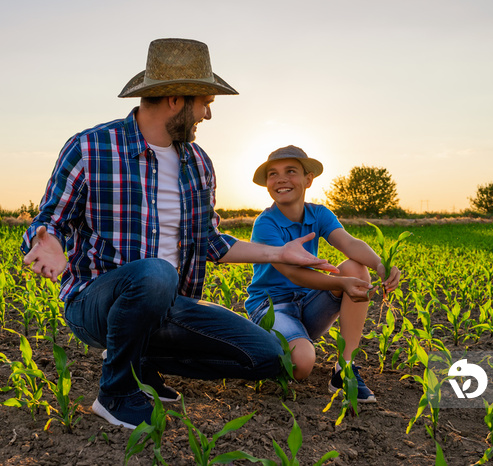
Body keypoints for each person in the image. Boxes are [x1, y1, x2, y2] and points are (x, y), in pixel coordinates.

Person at [21, 39, 339, 429]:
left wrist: (280, 254)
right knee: (155, 273)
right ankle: (116, 392)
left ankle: (142, 361)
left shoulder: (198, 164)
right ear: (175, 99)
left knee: (272, 357)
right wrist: (47, 242)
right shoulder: (91, 147)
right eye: (205, 101)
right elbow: (50, 219)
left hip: (168, 307)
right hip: (97, 302)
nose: (207, 113)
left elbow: (211, 242)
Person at [245, 145, 401, 402]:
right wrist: (339, 282)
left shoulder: (318, 214)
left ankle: (345, 369)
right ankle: (265, 342)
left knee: (355, 269)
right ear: (267, 184)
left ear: (308, 179)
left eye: (291, 171)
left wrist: (381, 265)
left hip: (308, 303)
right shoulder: (266, 223)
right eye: (273, 174)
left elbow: (349, 243)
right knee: (302, 365)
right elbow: (294, 274)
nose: (281, 179)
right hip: (273, 307)